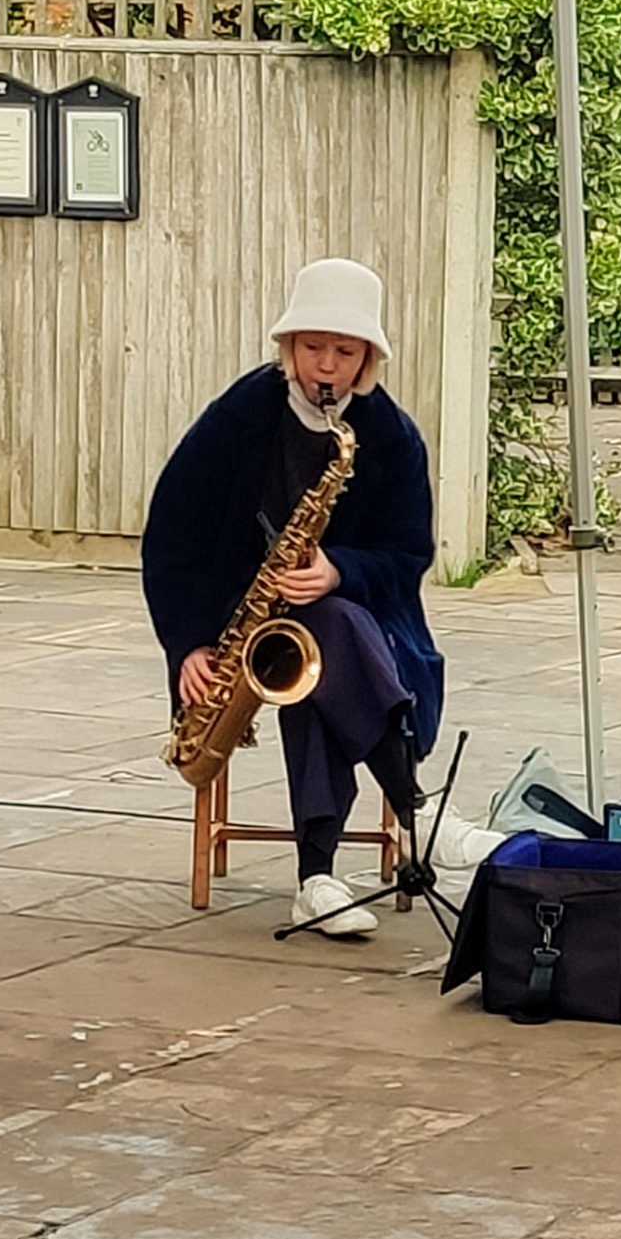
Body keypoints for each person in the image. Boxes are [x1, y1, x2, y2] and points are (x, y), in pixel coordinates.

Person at [142, 258, 495, 937]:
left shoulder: (390, 437)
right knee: (317, 642)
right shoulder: (236, 420)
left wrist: (340, 570)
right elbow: (171, 537)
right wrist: (186, 642)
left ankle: (319, 877)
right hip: (233, 631)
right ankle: (416, 816)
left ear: (367, 358)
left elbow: (409, 556)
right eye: (312, 348)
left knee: (320, 637)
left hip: (357, 622)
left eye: (343, 351)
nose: (325, 367)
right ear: (288, 346)